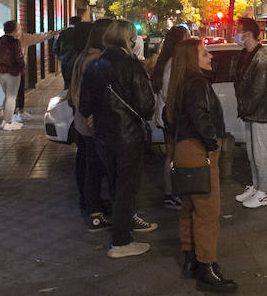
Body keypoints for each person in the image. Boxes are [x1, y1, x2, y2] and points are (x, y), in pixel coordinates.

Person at [78, 20, 158, 258]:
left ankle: (122, 227)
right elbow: (146, 106)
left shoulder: (94, 66)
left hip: (103, 136)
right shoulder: (131, 66)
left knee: (115, 184)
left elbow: (84, 105)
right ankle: (121, 241)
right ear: (129, 39)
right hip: (128, 136)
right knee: (127, 187)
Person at [165, 38, 235, 292]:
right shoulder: (196, 84)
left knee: (188, 207)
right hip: (198, 150)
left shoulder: (180, 83)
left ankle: (191, 257)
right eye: (204, 53)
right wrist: (212, 143)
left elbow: (168, 117)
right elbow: (200, 116)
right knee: (207, 212)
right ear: (192, 59)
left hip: (183, 149)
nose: (210, 57)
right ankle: (207, 267)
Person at [70, 19, 113, 228]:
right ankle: (95, 211)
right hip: (90, 123)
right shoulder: (95, 59)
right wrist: (92, 114)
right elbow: (90, 94)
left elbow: (73, 93)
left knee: (86, 164)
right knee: (93, 167)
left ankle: (89, 204)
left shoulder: (83, 57)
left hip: (81, 121)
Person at [234, 17, 267, 208]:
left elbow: (260, 90)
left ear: (247, 34)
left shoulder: (262, 58)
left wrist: (246, 108)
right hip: (249, 112)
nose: (236, 33)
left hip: (258, 113)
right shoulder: (245, 54)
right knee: (251, 153)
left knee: (259, 153)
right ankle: (256, 186)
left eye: (239, 30)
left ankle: (264, 192)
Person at [151, 25, 191, 208]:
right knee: (173, 155)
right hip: (171, 115)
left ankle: (172, 192)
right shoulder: (173, 63)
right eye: (187, 36)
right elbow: (169, 92)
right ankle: (171, 193)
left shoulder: (167, 60)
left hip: (168, 114)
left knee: (172, 154)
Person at [0, 21, 26, 130]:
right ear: (14, 30)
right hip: (13, 72)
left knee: (7, 96)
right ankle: (9, 122)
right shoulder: (15, 42)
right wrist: (22, 68)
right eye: (18, 27)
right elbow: (19, 57)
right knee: (11, 97)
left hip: (1, 72)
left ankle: (6, 120)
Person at [54, 15, 87, 91]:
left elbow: (55, 48)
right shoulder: (83, 33)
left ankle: (67, 98)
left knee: (67, 83)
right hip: (79, 60)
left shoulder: (62, 33)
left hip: (65, 61)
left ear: (70, 22)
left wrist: (60, 57)